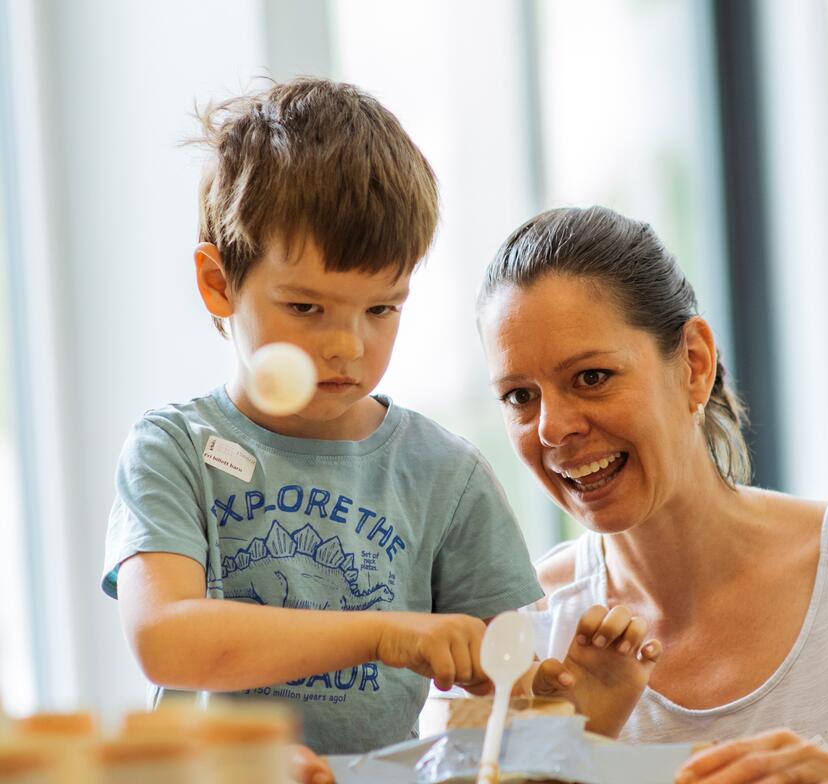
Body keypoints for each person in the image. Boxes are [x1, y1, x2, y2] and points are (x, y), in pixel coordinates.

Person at [101, 78, 553, 781]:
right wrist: (383, 634)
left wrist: (528, 673)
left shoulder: (445, 476)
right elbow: (167, 639)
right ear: (219, 284)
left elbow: (511, 690)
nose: (348, 346)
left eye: (381, 310)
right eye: (307, 307)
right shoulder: (174, 450)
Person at [477, 206, 828, 783]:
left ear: (693, 363)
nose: (552, 429)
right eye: (519, 396)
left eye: (591, 377)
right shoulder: (518, 633)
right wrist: (571, 751)